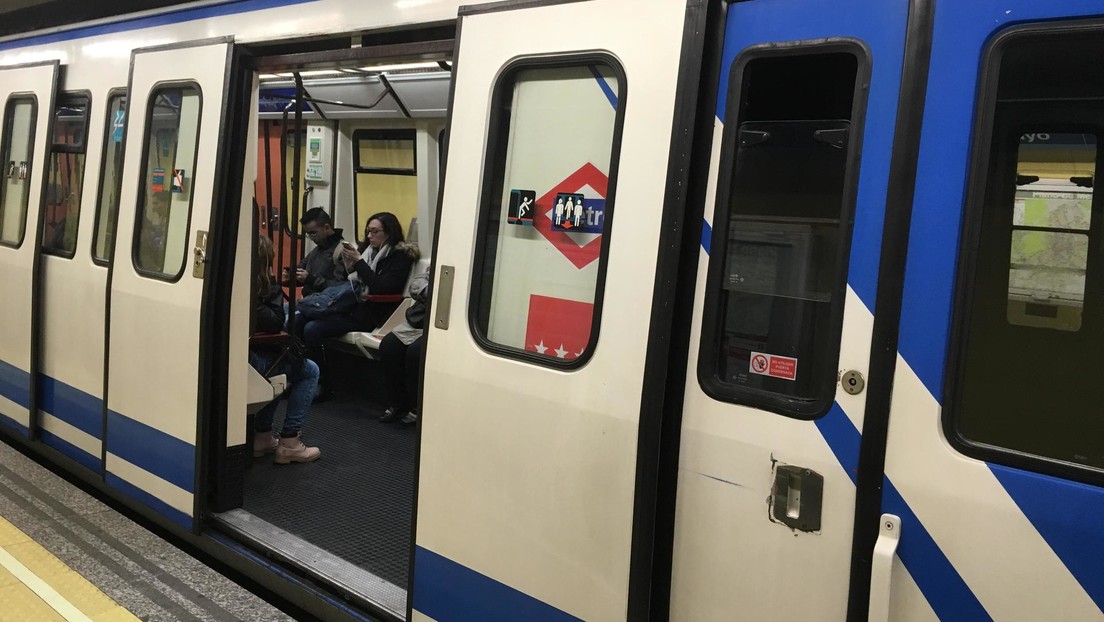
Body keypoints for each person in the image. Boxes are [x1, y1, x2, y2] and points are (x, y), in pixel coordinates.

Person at [250, 236, 321, 463]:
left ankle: (263, 435)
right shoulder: (256, 286)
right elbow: (274, 322)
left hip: (241, 354)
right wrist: (271, 288)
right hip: (251, 359)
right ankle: (290, 441)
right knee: (308, 370)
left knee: (277, 367)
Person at [377, 271, 429, 426]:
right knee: (389, 345)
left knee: (416, 352)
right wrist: (430, 292)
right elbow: (417, 284)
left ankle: (418, 406)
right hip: (418, 322)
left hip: (443, 325)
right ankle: (398, 403)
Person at [286, 207, 346, 296]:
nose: (312, 238)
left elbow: (339, 288)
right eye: (308, 234)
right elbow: (302, 269)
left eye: (313, 233)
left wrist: (310, 279)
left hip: (326, 302)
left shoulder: (342, 252)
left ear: (327, 227)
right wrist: (291, 276)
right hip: (310, 300)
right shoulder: (317, 250)